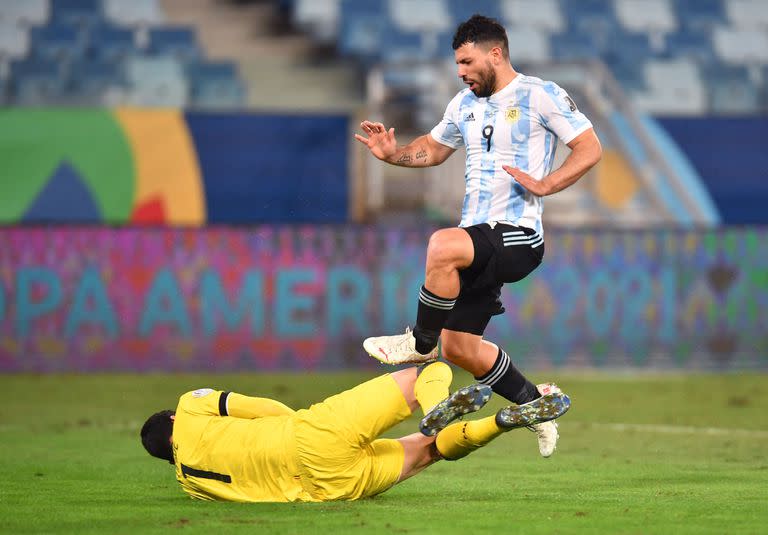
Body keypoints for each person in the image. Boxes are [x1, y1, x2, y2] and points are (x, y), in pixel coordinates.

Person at [355, 15, 601, 458]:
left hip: (520, 235)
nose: (462, 71)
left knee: (441, 246)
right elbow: (432, 149)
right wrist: (393, 155)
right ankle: (536, 405)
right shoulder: (463, 104)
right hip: (479, 238)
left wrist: (548, 184)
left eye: (467, 61)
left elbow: (589, 147)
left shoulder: (538, 94)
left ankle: (418, 344)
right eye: (457, 65)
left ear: (495, 53)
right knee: (463, 348)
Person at [140, 362, 570, 503]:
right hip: (309, 435)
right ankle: (438, 402)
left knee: (430, 451)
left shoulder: (190, 484)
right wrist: (300, 427)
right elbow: (259, 408)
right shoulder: (188, 407)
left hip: (327, 488)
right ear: (173, 422)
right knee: (428, 371)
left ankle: (501, 422)